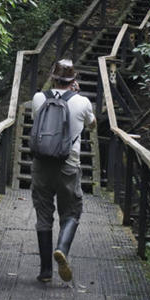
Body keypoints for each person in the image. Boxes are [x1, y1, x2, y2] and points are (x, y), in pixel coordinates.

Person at [31, 58, 96, 283]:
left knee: (43, 215)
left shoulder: (39, 98)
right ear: (73, 80)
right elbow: (93, 124)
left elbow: (35, 120)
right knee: (71, 212)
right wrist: (76, 96)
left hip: (41, 165)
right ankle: (62, 249)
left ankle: (46, 271)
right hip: (68, 166)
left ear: (52, 77)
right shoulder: (83, 102)